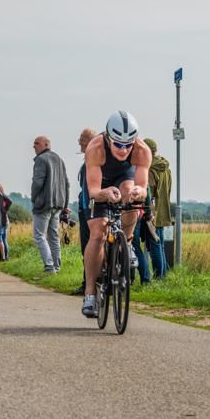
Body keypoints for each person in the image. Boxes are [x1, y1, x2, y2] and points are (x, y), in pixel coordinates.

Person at [81, 111, 152, 318]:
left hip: (124, 177)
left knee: (131, 194)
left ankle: (127, 243)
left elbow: (143, 186)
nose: (124, 149)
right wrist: (104, 193)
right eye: (118, 144)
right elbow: (94, 190)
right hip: (98, 183)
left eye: (128, 144)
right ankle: (90, 293)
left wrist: (139, 191)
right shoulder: (95, 148)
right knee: (98, 233)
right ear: (109, 138)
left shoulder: (142, 151)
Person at [30, 136, 69, 274]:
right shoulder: (59, 159)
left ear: (46, 144)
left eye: (36, 143)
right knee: (53, 236)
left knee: (39, 235)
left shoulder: (41, 159)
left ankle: (49, 266)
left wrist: (33, 198)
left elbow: (37, 183)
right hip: (58, 204)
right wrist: (65, 204)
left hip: (44, 204)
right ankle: (56, 267)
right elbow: (66, 184)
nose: (33, 146)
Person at [73, 127, 97, 295]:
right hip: (87, 207)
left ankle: (89, 285)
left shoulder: (92, 161)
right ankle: (89, 282)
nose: (79, 141)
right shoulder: (89, 161)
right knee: (88, 248)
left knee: (89, 248)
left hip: (90, 209)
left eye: (82, 138)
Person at [144, 138, 172, 278]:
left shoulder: (150, 169)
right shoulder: (165, 167)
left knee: (155, 245)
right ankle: (163, 275)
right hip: (164, 210)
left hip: (153, 213)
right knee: (160, 245)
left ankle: (158, 277)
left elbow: (149, 193)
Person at [0, 182, 12, 260]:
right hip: (5, 219)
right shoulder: (4, 197)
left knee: (0, 239)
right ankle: (5, 256)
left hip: (2, 220)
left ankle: (4, 256)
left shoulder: (0, 198)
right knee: (3, 239)